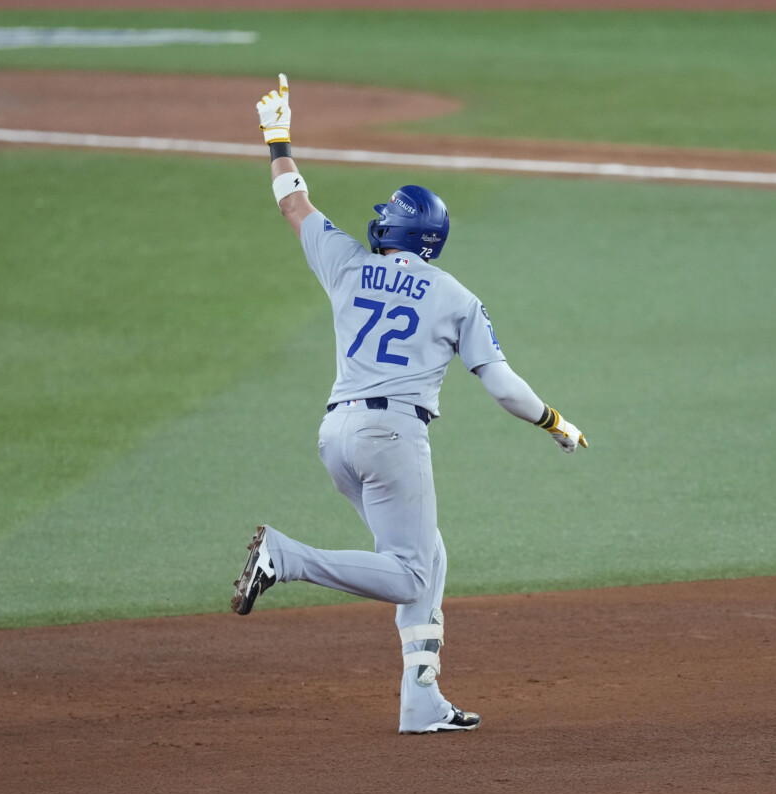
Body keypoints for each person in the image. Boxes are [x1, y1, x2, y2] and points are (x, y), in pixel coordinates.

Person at [231, 74, 588, 734]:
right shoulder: (455, 295)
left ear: (394, 227)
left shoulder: (346, 262)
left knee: (428, 558)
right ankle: (286, 557)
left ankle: (421, 699)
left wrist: (277, 136)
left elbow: (294, 202)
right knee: (407, 570)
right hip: (392, 438)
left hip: (335, 436)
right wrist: (555, 422)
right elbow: (503, 386)